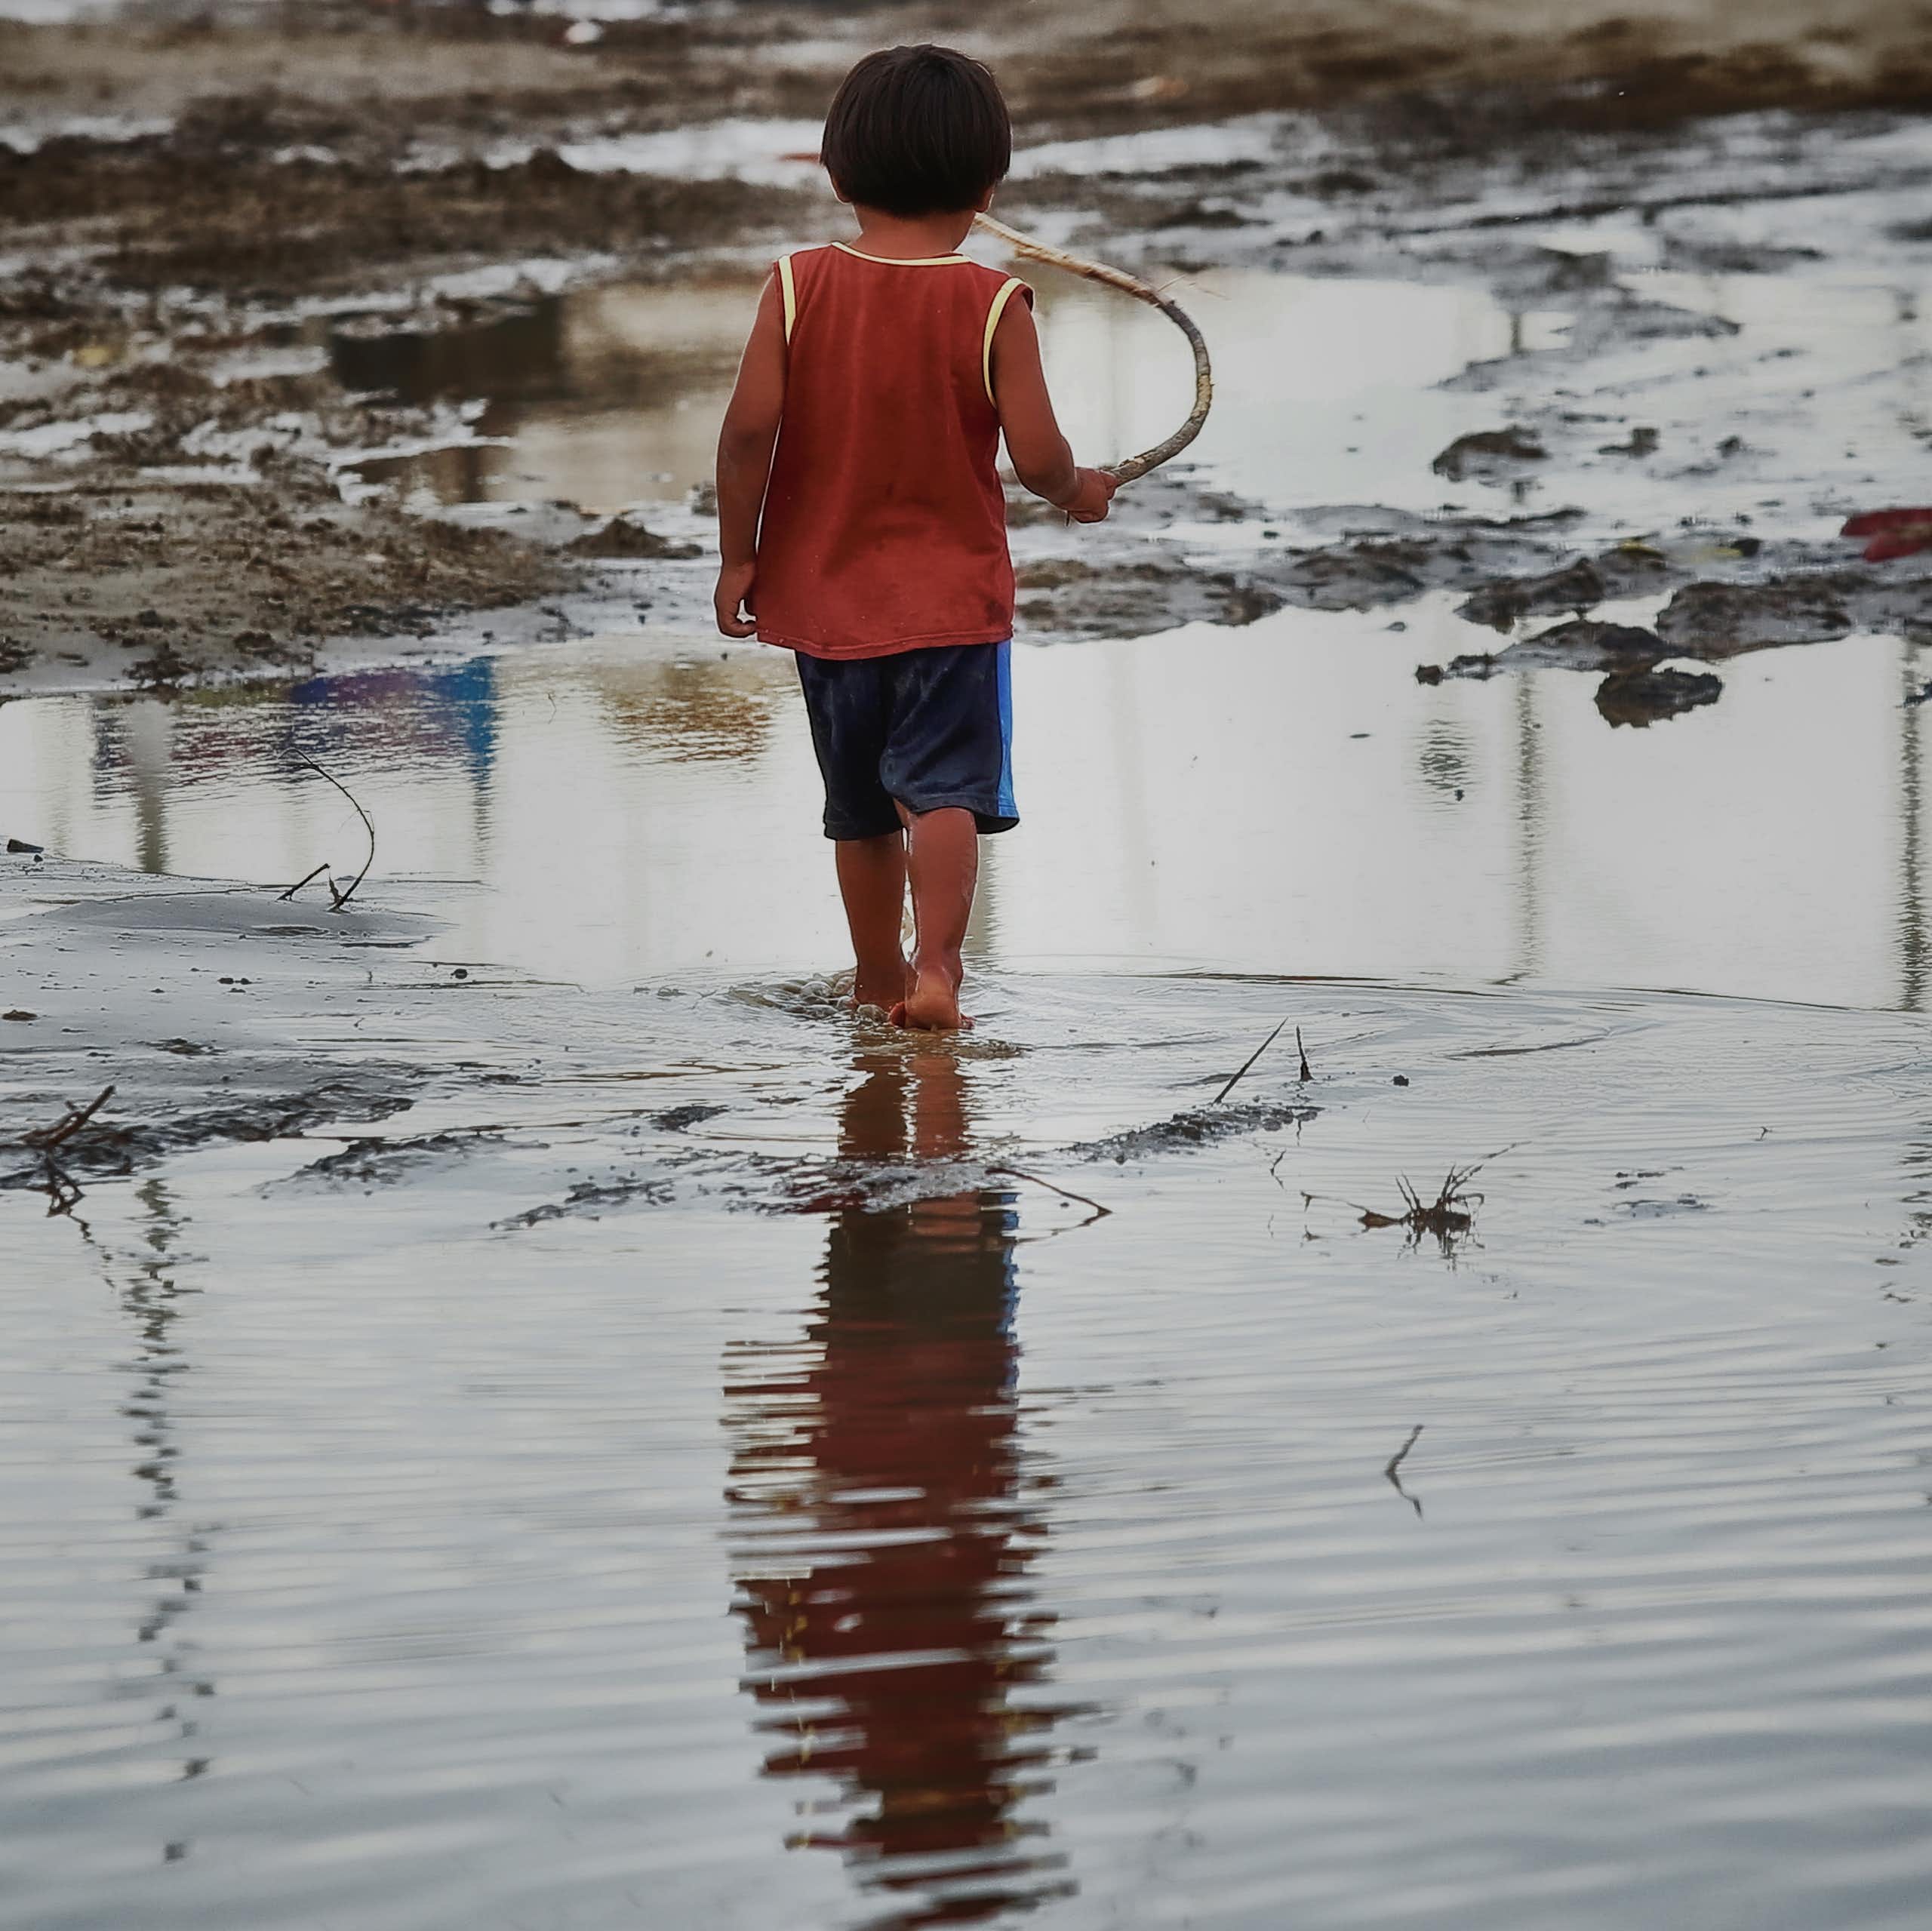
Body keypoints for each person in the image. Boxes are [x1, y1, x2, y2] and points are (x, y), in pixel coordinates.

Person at [712, 43, 1115, 1032]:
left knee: (856, 809)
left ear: (839, 172)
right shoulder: (991, 303)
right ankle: (938, 972)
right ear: (987, 185)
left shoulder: (796, 285)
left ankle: (872, 979)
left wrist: (738, 555)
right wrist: (1082, 490)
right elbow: (1038, 455)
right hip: (948, 607)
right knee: (941, 795)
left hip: (824, 604)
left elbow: (747, 433)